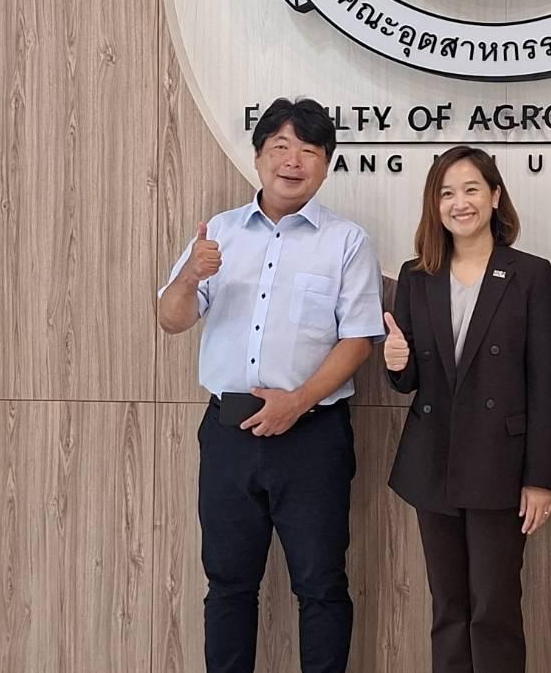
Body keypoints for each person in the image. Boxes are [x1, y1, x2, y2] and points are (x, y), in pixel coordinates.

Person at [157, 97, 384, 673]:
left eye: (309, 150)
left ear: (326, 164)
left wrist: (297, 403)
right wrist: (189, 276)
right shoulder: (220, 233)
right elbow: (171, 318)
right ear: (258, 156)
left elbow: (358, 340)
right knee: (228, 584)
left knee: (321, 584)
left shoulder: (346, 240)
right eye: (280, 147)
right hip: (229, 433)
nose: (293, 161)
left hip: (313, 436)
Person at [382, 145, 551, 673]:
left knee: (494, 609)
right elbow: (410, 382)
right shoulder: (417, 275)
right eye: (446, 193)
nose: (459, 203)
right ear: (434, 205)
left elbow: (545, 384)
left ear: (495, 196)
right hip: (431, 461)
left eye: (471, 190)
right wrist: (396, 363)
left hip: (499, 464)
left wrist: (540, 479)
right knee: (448, 609)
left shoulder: (530, 274)